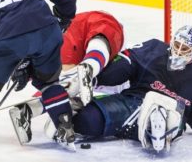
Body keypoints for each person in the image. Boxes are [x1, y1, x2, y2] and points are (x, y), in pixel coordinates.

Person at [69, 25, 192, 152]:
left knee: (172, 122)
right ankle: (80, 109)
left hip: (173, 113)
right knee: (86, 121)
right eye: (177, 45)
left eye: (185, 49)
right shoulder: (154, 49)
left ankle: (158, 116)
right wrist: (95, 78)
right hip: (133, 102)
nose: (179, 51)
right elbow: (126, 63)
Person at [0, 0, 77, 146]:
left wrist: (13, 58)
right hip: (47, 32)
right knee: (49, 82)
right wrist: (63, 18)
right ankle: (64, 125)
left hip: (7, 40)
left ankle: (23, 64)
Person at [9, 10, 124, 146]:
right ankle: (90, 66)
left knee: (68, 83)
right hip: (80, 29)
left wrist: (27, 71)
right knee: (101, 40)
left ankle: (28, 110)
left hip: (70, 33)